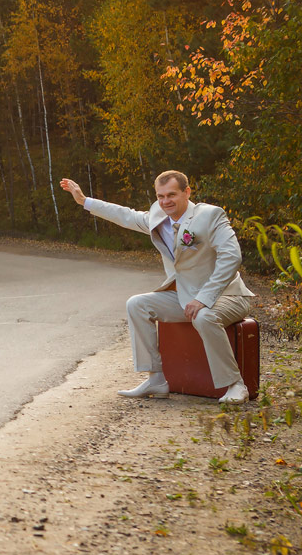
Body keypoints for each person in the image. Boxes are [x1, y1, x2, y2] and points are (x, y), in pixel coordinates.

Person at [60, 171, 255, 404]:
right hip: (184, 296)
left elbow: (231, 257)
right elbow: (125, 215)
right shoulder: (158, 215)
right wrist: (84, 201)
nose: (165, 201)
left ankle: (235, 385)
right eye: (160, 196)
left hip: (228, 295)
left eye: (171, 195)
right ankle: (157, 379)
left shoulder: (210, 215)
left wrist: (204, 298)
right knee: (137, 304)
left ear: (187, 192)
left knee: (204, 316)